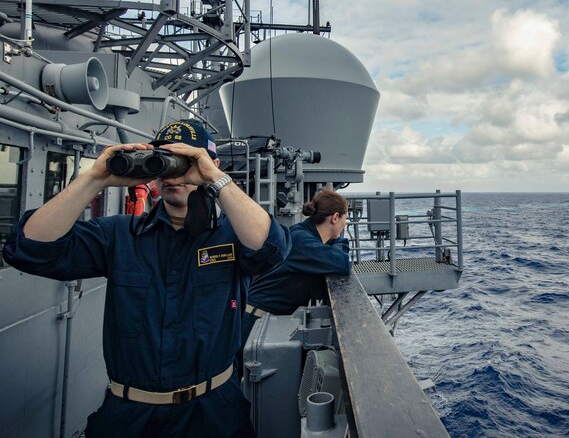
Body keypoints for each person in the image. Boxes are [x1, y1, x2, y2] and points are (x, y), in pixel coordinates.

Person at [2, 119, 290, 438]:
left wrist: (215, 178)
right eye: (163, 162)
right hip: (129, 418)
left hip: (213, 413)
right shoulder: (120, 236)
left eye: (186, 162)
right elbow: (28, 249)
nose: (173, 174)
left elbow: (271, 249)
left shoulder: (233, 237)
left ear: (210, 164)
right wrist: (95, 178)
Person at [241, 190, 351, 348]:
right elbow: (342, 263)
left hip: (263, 319)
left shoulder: (302, 233)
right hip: (256, 323)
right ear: (335, 217)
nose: (345, 223)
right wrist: (339, 240)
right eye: (345, 218)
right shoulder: (302, 241)